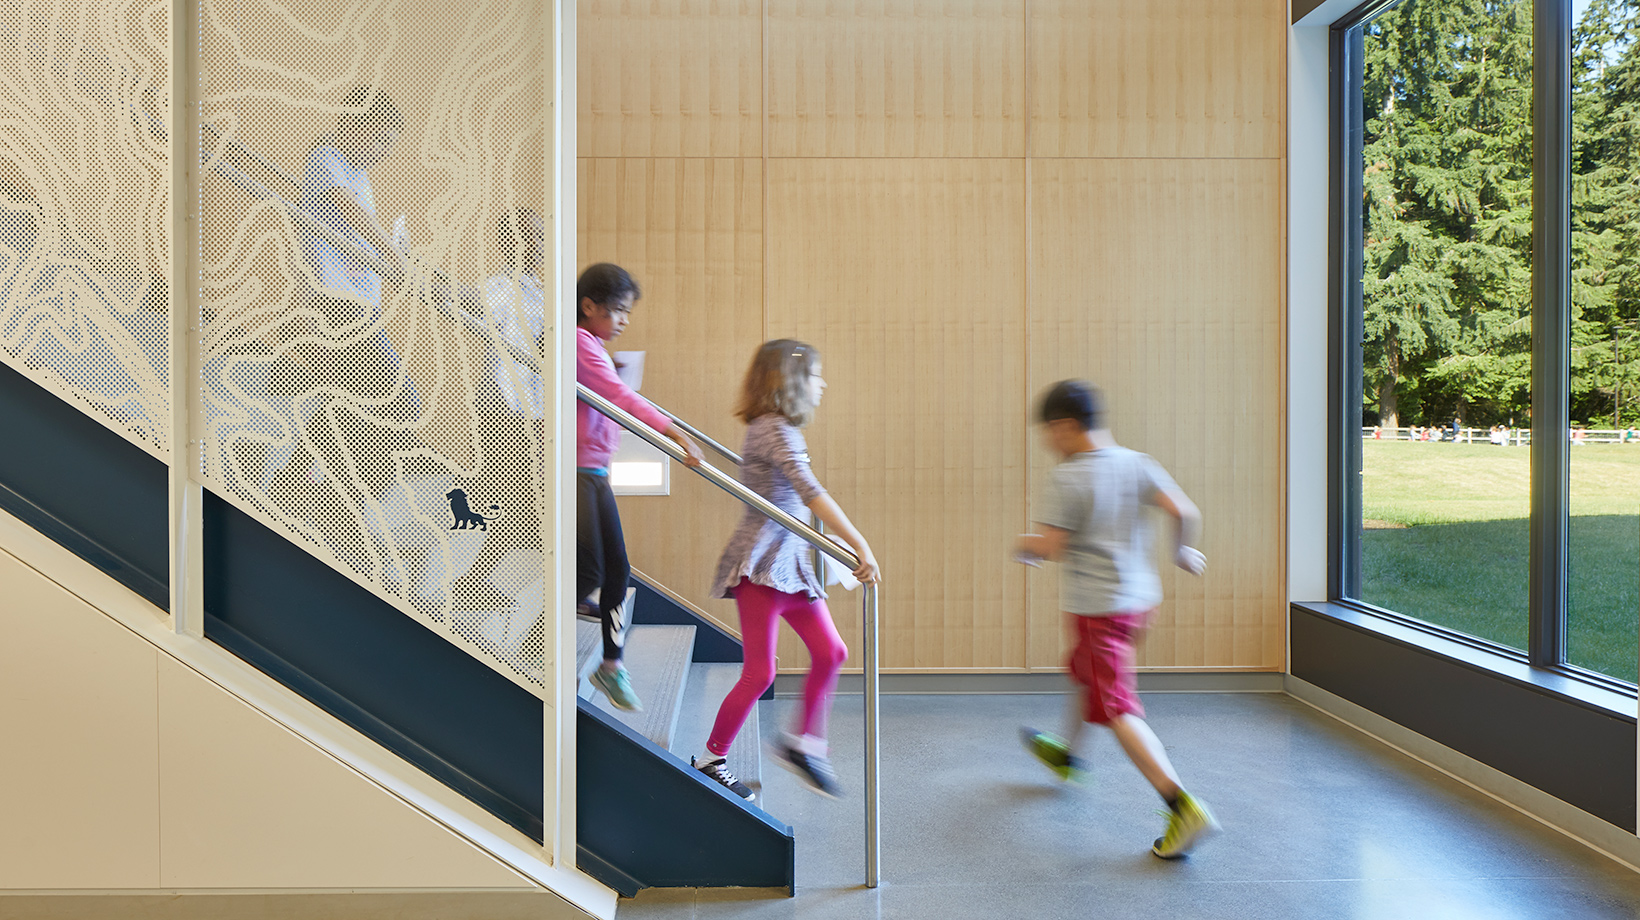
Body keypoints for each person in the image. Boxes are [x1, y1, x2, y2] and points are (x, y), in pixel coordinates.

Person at [1015, 380, 1217, 859]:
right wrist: (1181, 550)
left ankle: (1180, 804)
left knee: (1118, 706)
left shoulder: (1069, 476)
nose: (1048, 442)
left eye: (1049, 432)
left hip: (1097, 610)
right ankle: (1068, 755)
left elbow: (1052, 546)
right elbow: (1184, 510)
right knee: (1090, 677)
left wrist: (1025, 546)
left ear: (1065, 426)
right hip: (1139, 602)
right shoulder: (1135, 462)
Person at [694, 340, 879, 801]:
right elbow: (811, 491)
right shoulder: (774, 428)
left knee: (831, 652)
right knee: (760, 673)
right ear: (791, 380)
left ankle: (803, 744)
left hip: (787, 564)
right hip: (761, 564)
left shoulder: (775, 428)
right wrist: (860, 543)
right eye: (816, 375)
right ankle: (709, 759)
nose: (823, 384)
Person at [261, 87, 420, 575]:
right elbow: (347, 213)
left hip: (358, 301)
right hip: (337, 304)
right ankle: (327, 497)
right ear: (362, 126)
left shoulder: (361, 176)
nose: (385, 152)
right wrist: (391, 257)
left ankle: (313, 488)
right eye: (384, 139)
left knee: (356, 409)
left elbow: (354, 233)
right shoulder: (327, 159)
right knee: (400, 402)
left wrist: (395, 257)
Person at [575, 262, 704, 711]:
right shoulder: (576, 342)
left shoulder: (590, 346)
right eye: (618, 310)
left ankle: (611, 666)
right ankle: (543, 627)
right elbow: (618, 397)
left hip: (594, 473)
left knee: (618, 571)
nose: (625, 320)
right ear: (589, 306)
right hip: (575, 474)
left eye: (628, 312)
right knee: (591, 571)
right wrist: (673, 432)